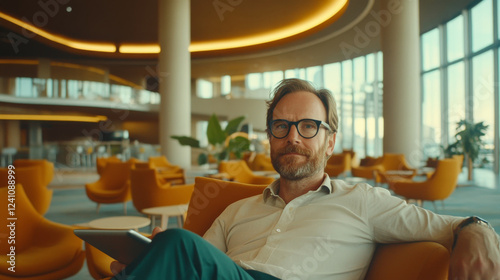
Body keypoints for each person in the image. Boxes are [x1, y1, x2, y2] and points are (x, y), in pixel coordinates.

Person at [112, 78, 500, 279]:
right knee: (173, 246)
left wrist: (478, 228)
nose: (292, 137)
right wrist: (149, 261)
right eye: (281, 126)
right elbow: (201, 262)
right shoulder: (236, 211)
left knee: (178, 243)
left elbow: (449, 225)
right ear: (270, 138)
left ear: (330, 142)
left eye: (308, 126)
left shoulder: (362, 201)